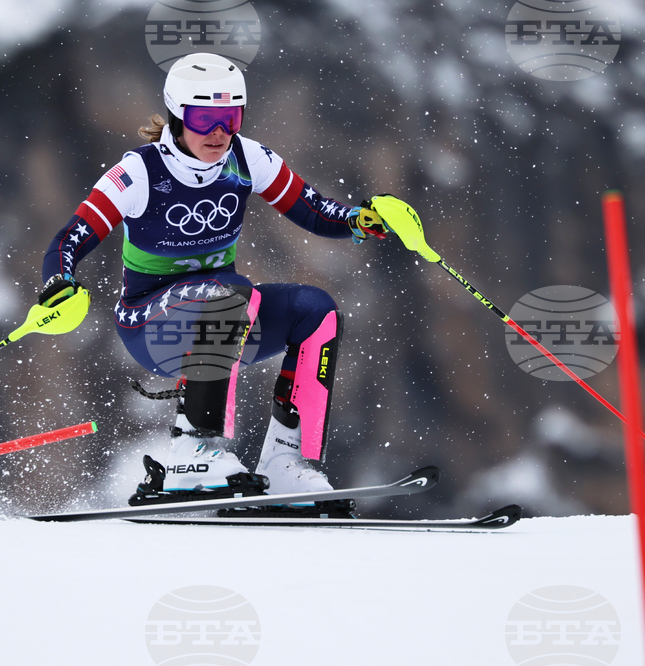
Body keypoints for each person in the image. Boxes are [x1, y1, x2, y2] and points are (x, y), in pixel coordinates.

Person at [39, 53, 427, 505]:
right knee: (230, 292)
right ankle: (194, 449)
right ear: (178, 116)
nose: (220, 132)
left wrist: (363, 219)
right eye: (205, 118)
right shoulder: (139, 173)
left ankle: (286, 464)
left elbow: (313, 210)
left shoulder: (247, 157)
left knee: (316, 311)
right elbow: (72, 236)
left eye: (231, 117)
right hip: (151, 326)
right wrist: (58, 282)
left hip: (227, 322)